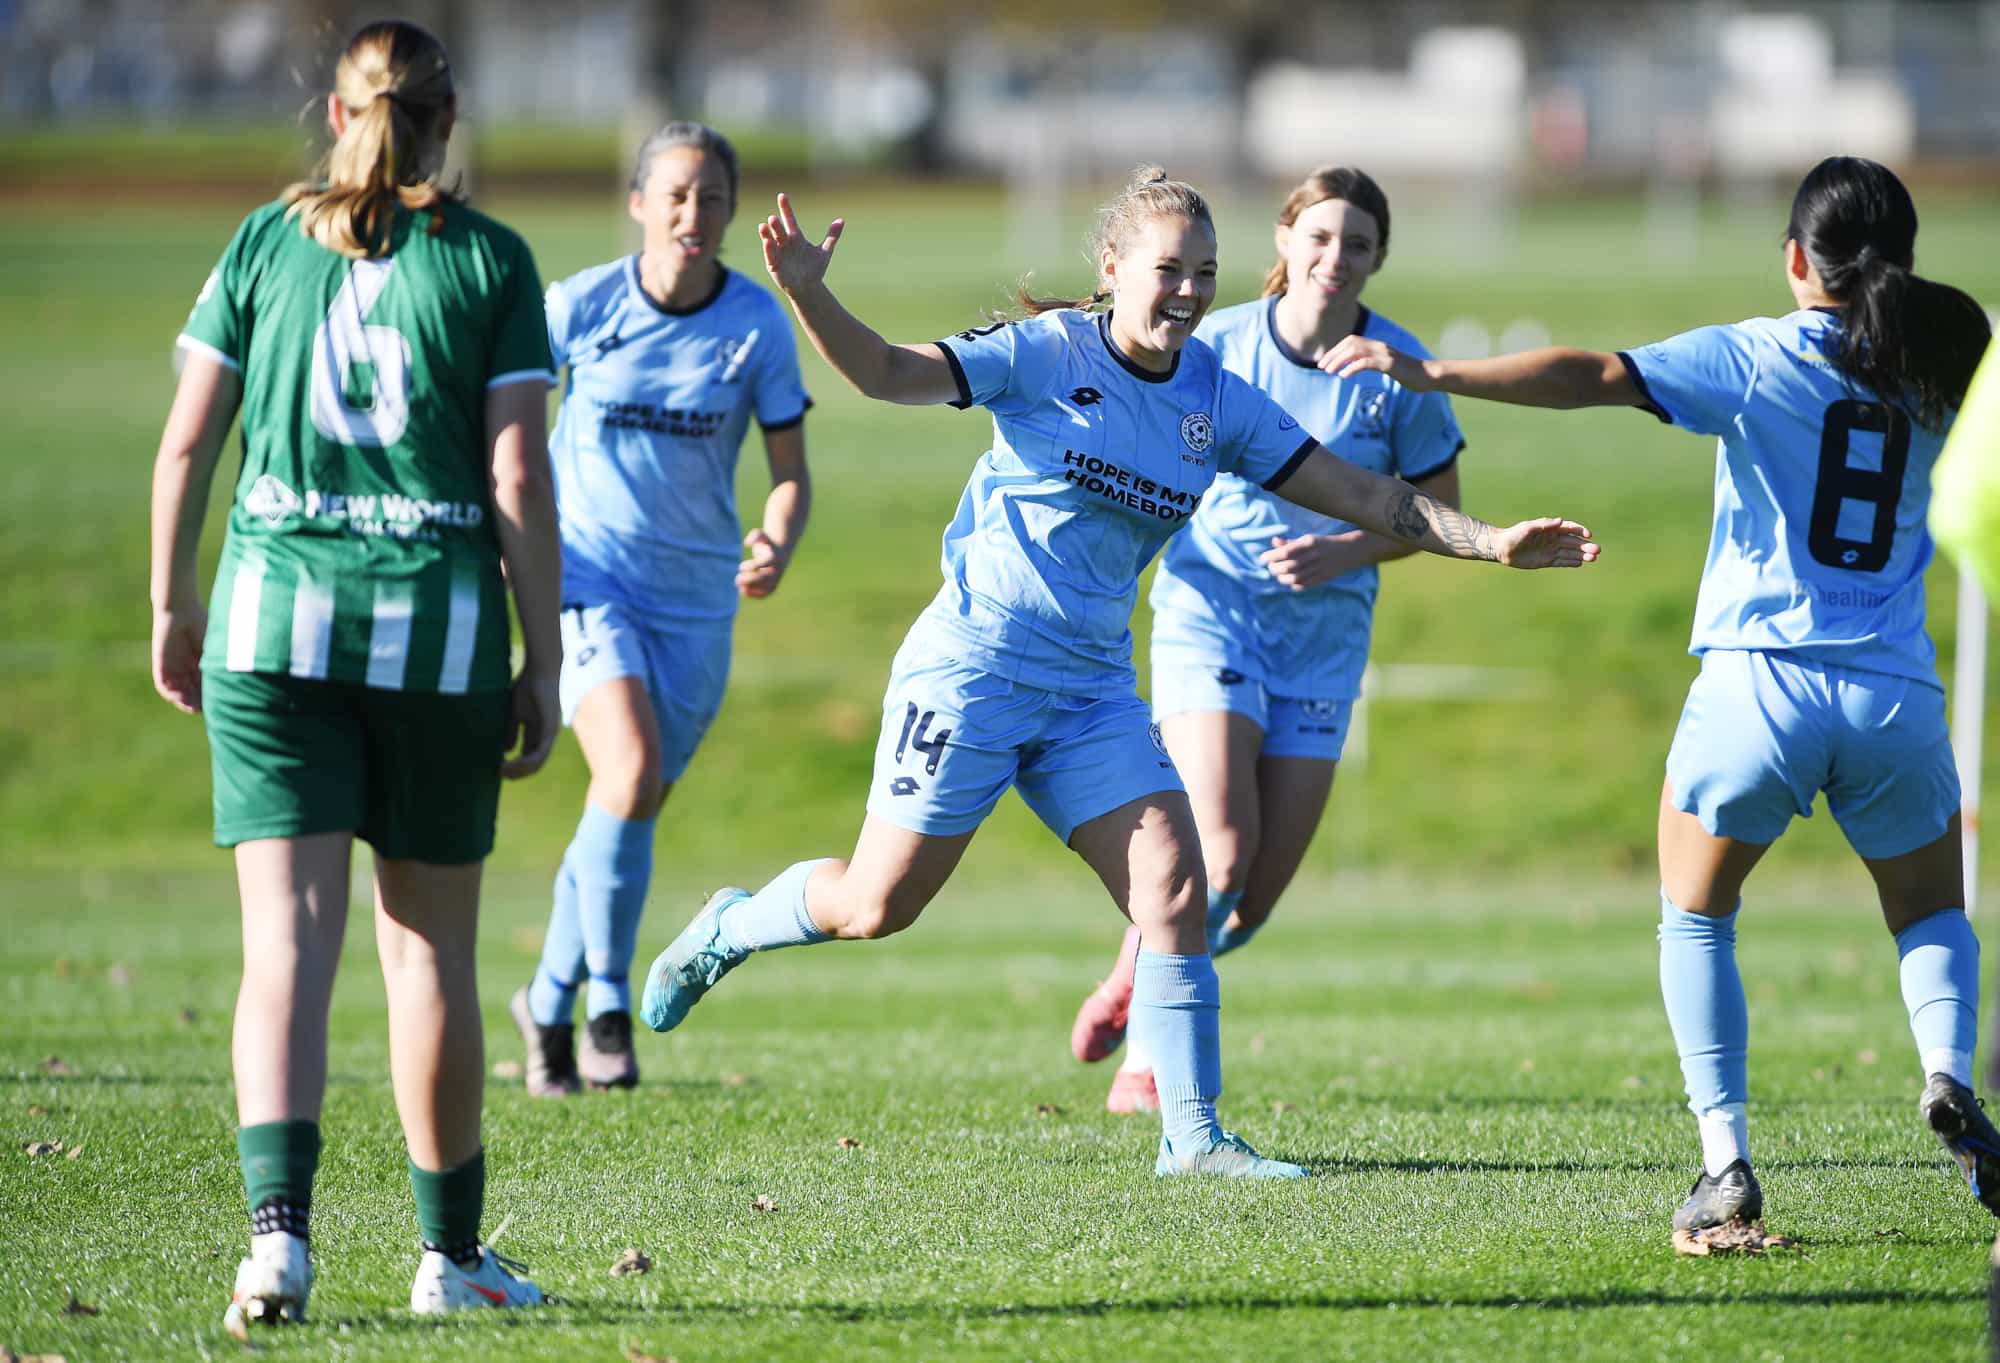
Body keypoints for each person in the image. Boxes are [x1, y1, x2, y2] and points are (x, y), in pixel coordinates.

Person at [635, 167, 1599, 1180]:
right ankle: (732, 923)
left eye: (1205, 273)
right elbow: (885, 371)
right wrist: (808, 292)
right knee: (876, 905)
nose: (1189, 291)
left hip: (1089, 690)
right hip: (974, 666)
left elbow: (1363, 493)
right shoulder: (1046, 353)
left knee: (1176, 884)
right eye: (1169, 269)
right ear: (1111, 268)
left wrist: (1490, 541)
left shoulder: (1215, 397)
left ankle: (1192, 1138)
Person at [1325, 155, 1996, 1233]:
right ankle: (1948, 1075)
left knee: (1695, 915)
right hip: (1893, 694)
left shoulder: (1755, 354)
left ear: (1795, 259)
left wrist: (1433, 371)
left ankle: (1725, 1165)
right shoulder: (1951, 360)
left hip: (1758, 685)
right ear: (1906, 262)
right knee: (1928, 912)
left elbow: (1592, 373)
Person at [149, 19, 559, 1327]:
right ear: (450, 120)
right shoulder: (489, 258)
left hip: (269, 629)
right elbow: (516, 475)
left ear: (339, 114)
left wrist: (172, 599)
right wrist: (545, 655)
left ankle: (277, 1245)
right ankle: (451, 1258)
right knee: (426, 952)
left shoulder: (264, 243)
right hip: (434, 634)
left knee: (285, 943)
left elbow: (186, 444)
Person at [1066, 166, 1466, 1114]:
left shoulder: (1396, 370)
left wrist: (1347, 551)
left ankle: (1132, 969)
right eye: (1319, 236)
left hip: (1324, 644)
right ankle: (1147, 1061)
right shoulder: (1221, 347)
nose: (1336, 257)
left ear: (1378, 257)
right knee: (1221, 849)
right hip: (1211, 613)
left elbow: (1437, 510)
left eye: (1357, 243)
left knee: (1248, 902)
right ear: (1285, 241)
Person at [509, 122, 813, 1099]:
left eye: (712, 198)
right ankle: (607, 1004)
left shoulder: (756, 326)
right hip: (587, 579)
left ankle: (544, 1001)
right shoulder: (579, 305)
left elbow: (790, 474)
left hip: (696, 605)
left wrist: (776, 538)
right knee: (630, 770)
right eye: (675, 194)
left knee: (625, 801)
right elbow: (503, 423)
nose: (693, 213)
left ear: (731, 212)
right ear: (638, 202)